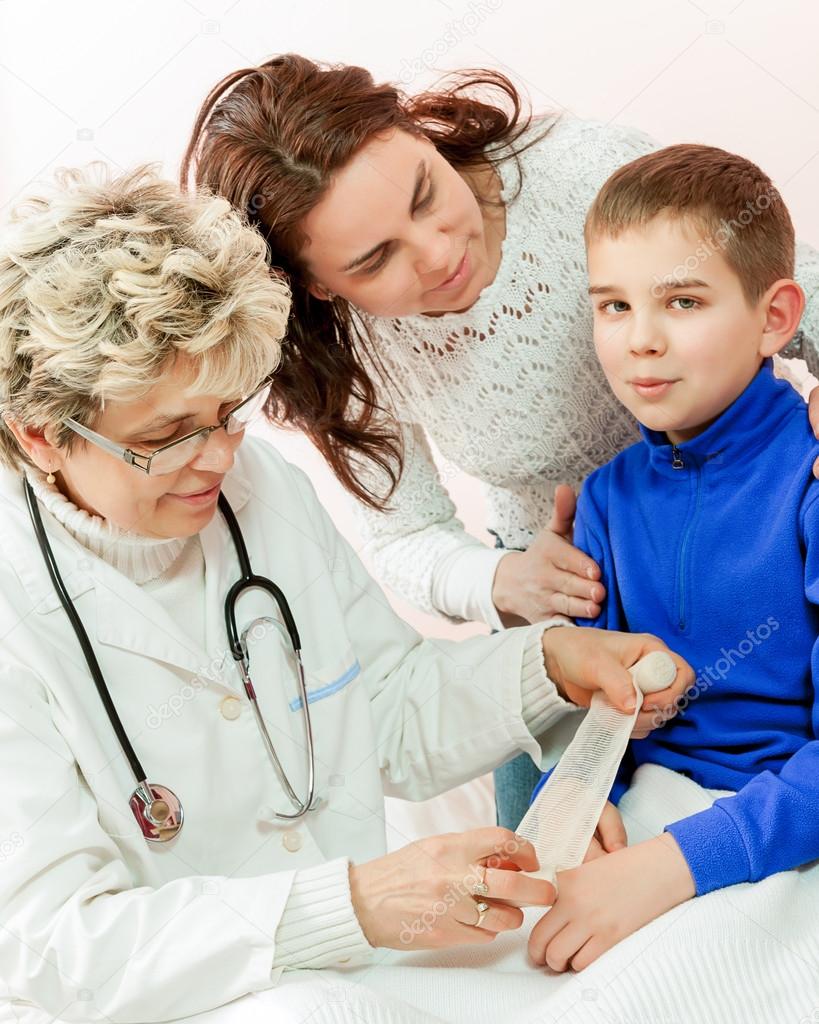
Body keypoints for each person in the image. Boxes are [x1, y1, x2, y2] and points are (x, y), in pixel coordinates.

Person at [0, 164, 689, 1023]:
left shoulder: (257, 488)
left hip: (354, 966)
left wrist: (542, 665)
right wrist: (351, 904)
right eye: (168, 436)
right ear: (40, 436)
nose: (217, 457)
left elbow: (385, 711)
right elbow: (55, 946)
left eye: (227, 412)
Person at [181, 53, 819, 830]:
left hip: (756, 533)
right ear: (320, 286)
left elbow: (786, 291)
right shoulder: (350, 353)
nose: (438, 251)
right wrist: (504, 582)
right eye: (374, 259)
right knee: (547, 854)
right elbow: (403, 536)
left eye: (424, 194)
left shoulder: (582, 169)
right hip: (570, 602)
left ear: (414, 129)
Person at [527, 143, 819, 973]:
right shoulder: (607, 501)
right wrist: (572, 813)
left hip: (780, 829)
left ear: (773, 316)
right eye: (612, 306)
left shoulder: (811, 477)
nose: (640, 341)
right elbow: (597, 722)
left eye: (681, 301)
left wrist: (674, 866)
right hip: (651, 820)